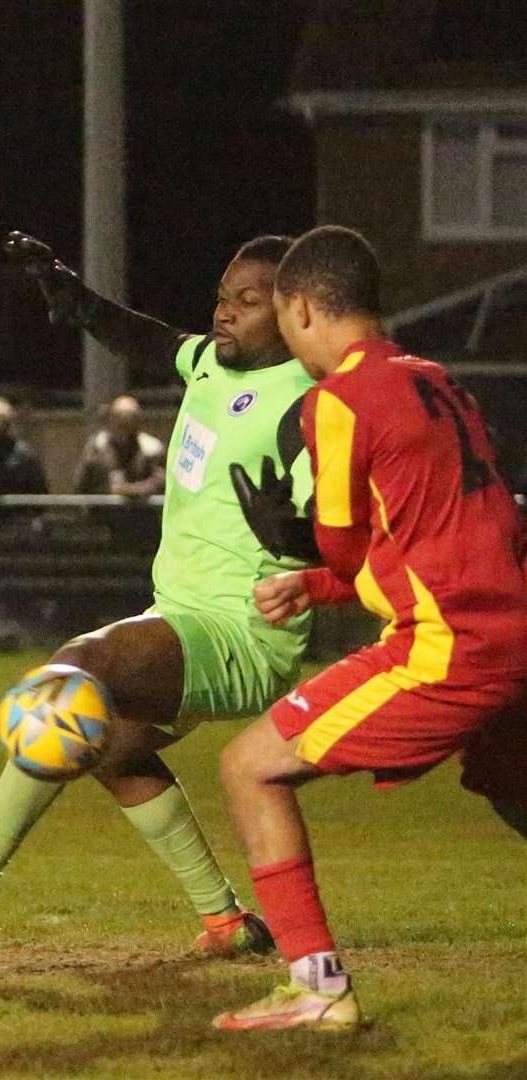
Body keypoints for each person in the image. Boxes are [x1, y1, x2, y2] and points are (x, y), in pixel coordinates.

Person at [0, 230, 317, 960]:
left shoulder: (306, 405)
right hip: (180, 616)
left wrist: (296, 533)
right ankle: (226, 924)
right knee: (116, 747)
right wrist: (74, 298)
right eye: (222, 298)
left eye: (247, 302)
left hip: (246, 633)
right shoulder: (207, 364)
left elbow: (337, 538)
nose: (224, 313)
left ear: (293, 314)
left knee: (80, 668)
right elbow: (148, 338)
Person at [212, 226, 527, 1031]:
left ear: (307, 308)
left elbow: (350, 548)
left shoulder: (339, 401)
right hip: (513, 628)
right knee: (510, 780)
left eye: (283, 318)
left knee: (251, 766)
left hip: (448, 648)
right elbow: (438, 535)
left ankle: (317, 988)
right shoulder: (439, 381)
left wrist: (301, 544)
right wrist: (314, 585)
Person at [75, 394, 165, 496]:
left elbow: (160, 484)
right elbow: (81, 485)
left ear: (138, 422)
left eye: (129, 420)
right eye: (118, 419)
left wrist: (126, 490)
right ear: (110, 420)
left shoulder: (152, 449)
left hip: (142, 511)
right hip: (103, 510)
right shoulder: (97, 447)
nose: (123, 426)